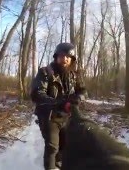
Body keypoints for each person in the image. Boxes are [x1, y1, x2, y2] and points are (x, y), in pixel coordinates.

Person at [30, 42, 87, 170]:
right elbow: (37, 93)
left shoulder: (74, 75)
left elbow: (83, 91)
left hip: (67, 116)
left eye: (68, 57)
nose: (65, 59)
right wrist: (58, 103)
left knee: (65, 145)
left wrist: (78, 98)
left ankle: (59, 163)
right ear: (56, 57)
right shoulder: (45, 72)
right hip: (49, 116)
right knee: (52, 147)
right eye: (62, 56)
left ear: (72, 59)